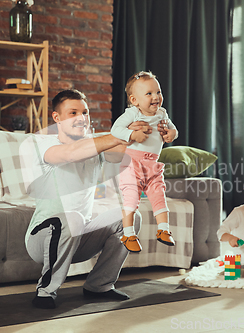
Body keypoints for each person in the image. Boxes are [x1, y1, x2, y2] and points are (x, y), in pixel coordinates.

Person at [23, 89, 157, 309]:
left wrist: (144, 127)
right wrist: (119, 135)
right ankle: (45, 291)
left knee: (130, 217)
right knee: (72, 218)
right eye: (73, 112)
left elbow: (124, 150)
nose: (81, 118)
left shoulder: (97, 144)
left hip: (80, 237)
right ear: (56, 118)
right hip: (42, 238)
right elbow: (70, 153)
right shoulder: (44, 144)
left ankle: (100, 286)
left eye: (84, 112)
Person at [110, 71, 178, 253]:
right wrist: (132, 134)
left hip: (153, 165)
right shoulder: (133, 113)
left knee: (158, 194)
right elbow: (115, 129)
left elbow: (173, 129)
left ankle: (163, 229)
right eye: (149, 94)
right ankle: (128, 233)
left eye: (158, 92)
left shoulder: (162, 113)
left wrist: (172, 134)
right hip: (132, 164)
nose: (156, 97)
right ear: (134, 100)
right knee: (131, 197)